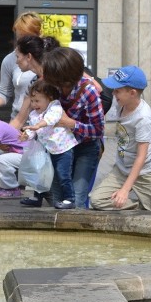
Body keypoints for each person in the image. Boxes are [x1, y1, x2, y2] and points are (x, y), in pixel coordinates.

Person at [89, 66, 151, 212]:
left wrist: (125, 190)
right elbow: (100, 90)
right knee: (97, 200)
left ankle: (148, 206)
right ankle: (140, 207)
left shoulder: (143, 118)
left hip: (147, 172)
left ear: (132, 93)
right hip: (122, 169)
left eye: (117, 90)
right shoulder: (121, 104)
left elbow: (141, 156)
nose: (113, 93)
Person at [41, 47, 105, 209]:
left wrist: (70, 123)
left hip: (85, 147)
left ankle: (78, 233)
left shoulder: (89, 92)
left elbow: (98, 130)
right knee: (56, 195)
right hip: (59, 148)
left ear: (64, 78)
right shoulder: (51, 88)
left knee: (76, 198)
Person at [20, 80, 79, 210]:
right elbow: (33, 130)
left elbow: (50, 119)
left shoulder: (55, 107)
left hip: (63, 148)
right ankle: (37, 197)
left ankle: (70, 199)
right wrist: (26, 135)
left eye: (37, 101)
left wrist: (38, 125)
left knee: (63, 174)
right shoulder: (34, 114)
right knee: (40, 172)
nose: (34, 104)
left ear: (49, 98)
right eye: (32, 101)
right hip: (47, 150)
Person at [0, 12, 41, 120]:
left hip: (45, 119)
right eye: (19, 37)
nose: (22, 43)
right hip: (20, 118)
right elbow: (4, 92)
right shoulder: (10, 60)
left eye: (27, 37)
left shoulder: (49, 57)